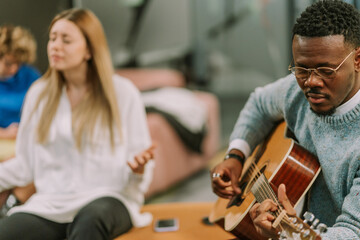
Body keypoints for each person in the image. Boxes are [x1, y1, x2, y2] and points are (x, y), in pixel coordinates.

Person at [0, 8, 155, 240]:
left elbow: (141, 160)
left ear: (89, 50)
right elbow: (25, 165)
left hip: (110, 197)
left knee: (89, 222)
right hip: (52, 203)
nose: (55, 46)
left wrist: (139, 169)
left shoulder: (122, 93)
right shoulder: (39, 94)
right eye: (52, 38)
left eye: (66, 40)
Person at [211, 0, 360, 239]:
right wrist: (236, 155)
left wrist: (292, 233)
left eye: (325, 70)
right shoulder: (296, 92)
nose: (311, 82)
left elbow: (353, 231)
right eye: (302, 69)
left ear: (357, 60)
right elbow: (259, 103)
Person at [0, 24, 41, 139]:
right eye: (8, 63)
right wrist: (4, 133)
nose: (14, 69)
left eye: (18, 63)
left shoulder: (30, 75)